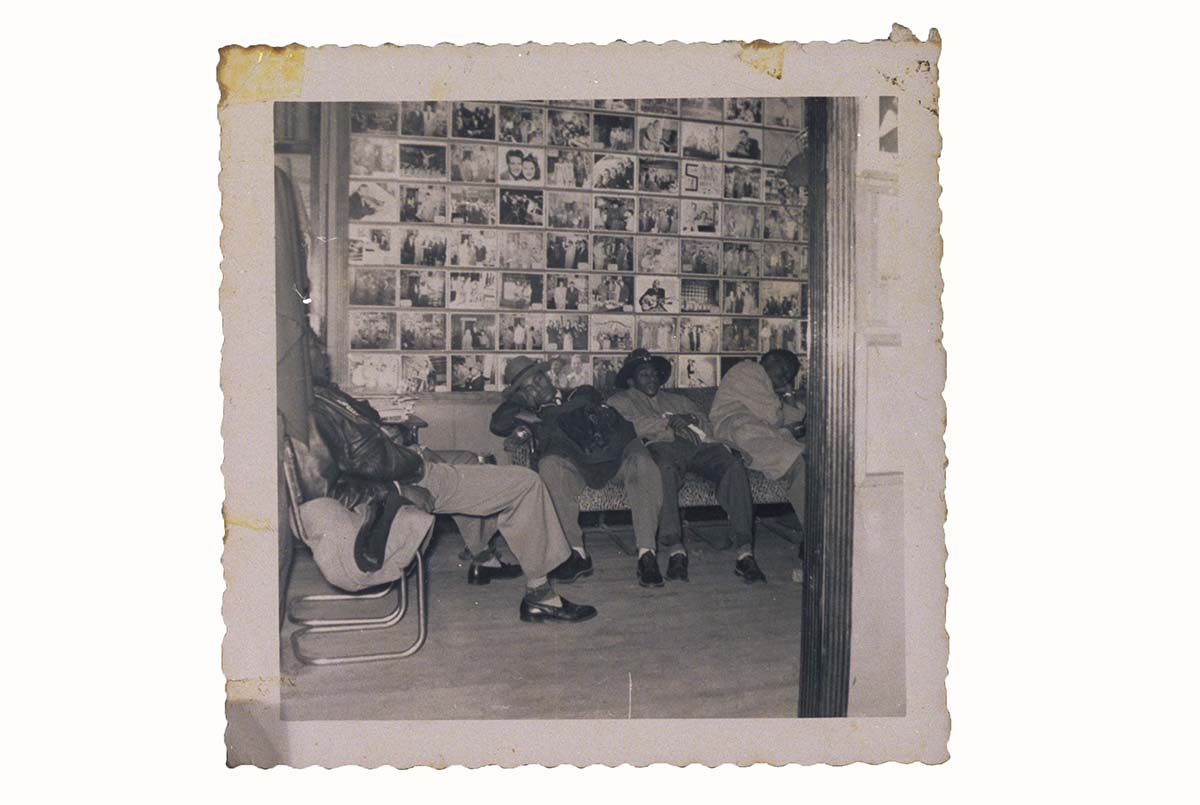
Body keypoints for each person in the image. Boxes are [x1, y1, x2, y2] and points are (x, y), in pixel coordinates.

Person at [305, 333, 596, 623]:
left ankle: (484, 558)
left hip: (409, 464)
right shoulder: (317, 411)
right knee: (525, 483)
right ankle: (541, 596)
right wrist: (397, 488)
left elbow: (364, 425)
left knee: (469, 461)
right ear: (303, 355)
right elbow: (328, 490)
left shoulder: (321, 396)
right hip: (413, 478)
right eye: (317, 347)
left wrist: (392, 439)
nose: (324, 353)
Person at [491, 357, 665, 586]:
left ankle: (647, 554)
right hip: (575, 467)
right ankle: (575, 554)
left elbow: (578, 408)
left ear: (547, 376)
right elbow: (497, 423)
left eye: (538, 379)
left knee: (643, 461)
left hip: (614, 458)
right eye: (528, 388)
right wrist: (520, 402)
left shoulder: (580, 391)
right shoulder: (527, 407)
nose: (537, 388)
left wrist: (540, 417)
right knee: (548, 465)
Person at [607, 349, 763, 583]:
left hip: (699, 448)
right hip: (662, 449)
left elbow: (707, 424)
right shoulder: (619, 401)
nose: (652, 379)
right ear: (630, 379)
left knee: (733, 465)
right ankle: (676, 550)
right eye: (644, 374)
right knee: (664, 469)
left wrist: (691, 419)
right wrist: (668, 422)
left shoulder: (678, 399)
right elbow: (628, 426)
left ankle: (745, 552)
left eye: (654, 374)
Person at [709, 350, 806, 543]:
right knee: (797, 459)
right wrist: (785, 399)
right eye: (784, 369)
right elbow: (775, 417)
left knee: (814, 458)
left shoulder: (765, 387)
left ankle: (812, 528)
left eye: (790, 375)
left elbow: (793, 419)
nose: (786, 376)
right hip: (739, 433)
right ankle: (815, 534)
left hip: (760, 434)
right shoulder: (748, 370)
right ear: (769, 360)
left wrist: (787, 394)